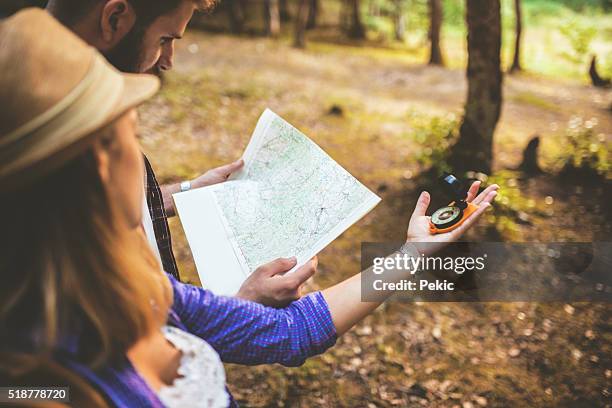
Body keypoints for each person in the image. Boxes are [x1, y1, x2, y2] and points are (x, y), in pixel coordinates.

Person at [0, 9, 498, 408]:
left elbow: (289, 331)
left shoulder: (133, 287)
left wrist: (412, 257)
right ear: (101, 172)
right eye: (132, 132)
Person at [45, 0, 316, 307]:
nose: (168, 61)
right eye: (165, 40)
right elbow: (126, 322)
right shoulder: (56, 140)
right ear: (115, 18)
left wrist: (187, 191)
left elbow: (102, 209)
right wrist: (240, 306)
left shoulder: (59, 109)